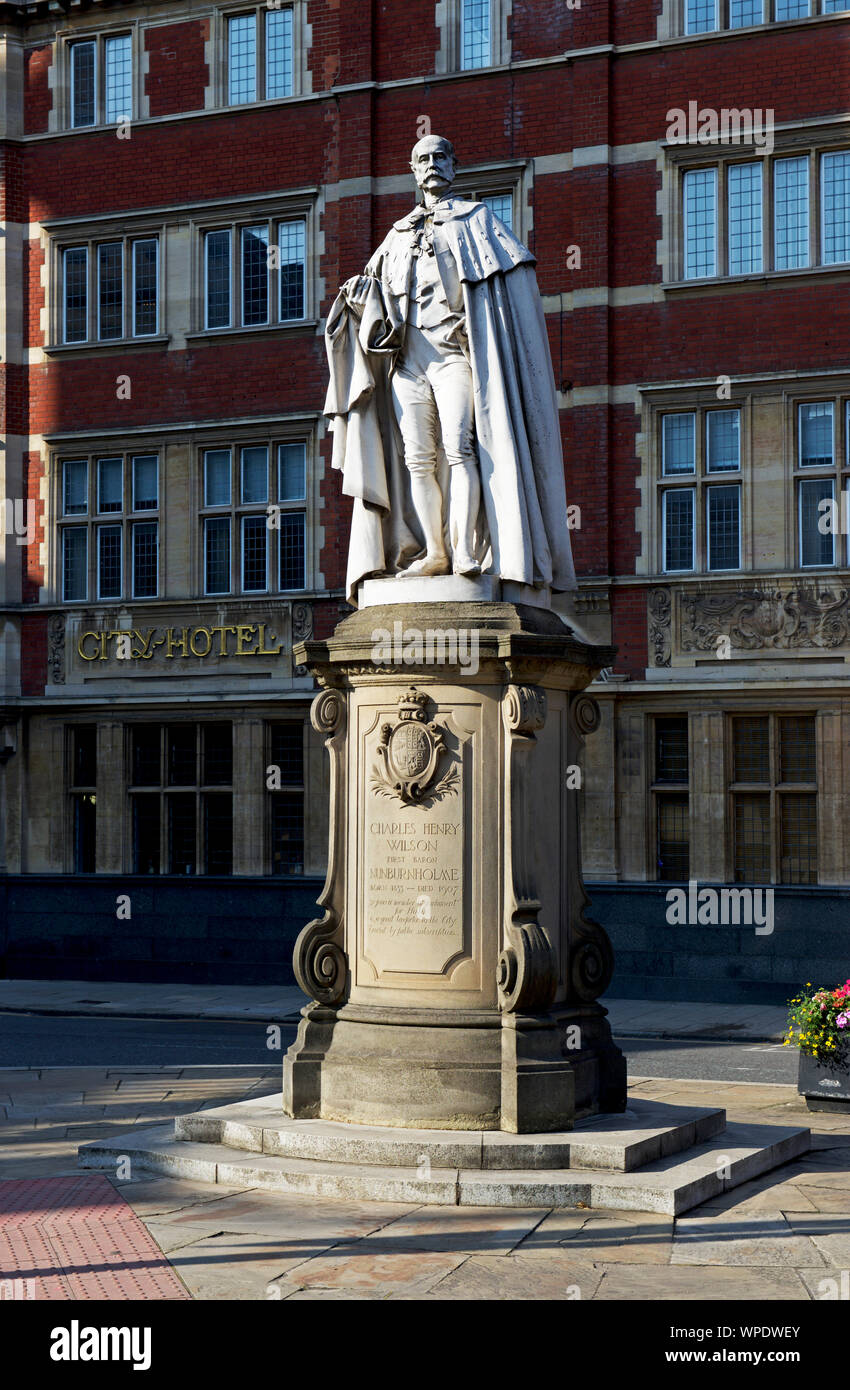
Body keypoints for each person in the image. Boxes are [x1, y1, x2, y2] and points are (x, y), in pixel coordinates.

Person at [324, 134, 576, 605]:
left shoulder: (477, 221)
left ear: (454, 167)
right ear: (413, 171)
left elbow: (512, 290)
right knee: (417, 460)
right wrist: (359, 301)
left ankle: (465, 551)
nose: (432, 165)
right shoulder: (396, 236)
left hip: (454, 355)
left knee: (460, 449)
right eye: (423, 159)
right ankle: (434, 552)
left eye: (440, 157)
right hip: (407, 363)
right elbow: (369, 303)